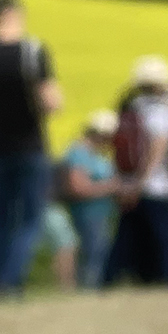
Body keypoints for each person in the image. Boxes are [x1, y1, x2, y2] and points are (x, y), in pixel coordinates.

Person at [0, 0, 62, 294]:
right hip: (29, 144)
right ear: (15, 15)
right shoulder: (32, 51)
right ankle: (10, 281)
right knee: (31, 218)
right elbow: (50, 102)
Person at [105, 56, 168, 286]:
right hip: (155, 187)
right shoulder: (161, 112)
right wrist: (141, 183)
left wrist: (127, 184)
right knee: (166, 241)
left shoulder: (130, 108)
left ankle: (110, 281)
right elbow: (157, 151)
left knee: (127, 240)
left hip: (127, 184)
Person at [59, 111, 121, 288]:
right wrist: (111, 187)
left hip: (101, 214)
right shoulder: (79, 153)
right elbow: (78, 188)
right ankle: (88, 290)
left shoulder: (96, 154)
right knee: (92, 255)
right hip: (88, 215)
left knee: (99, 254)